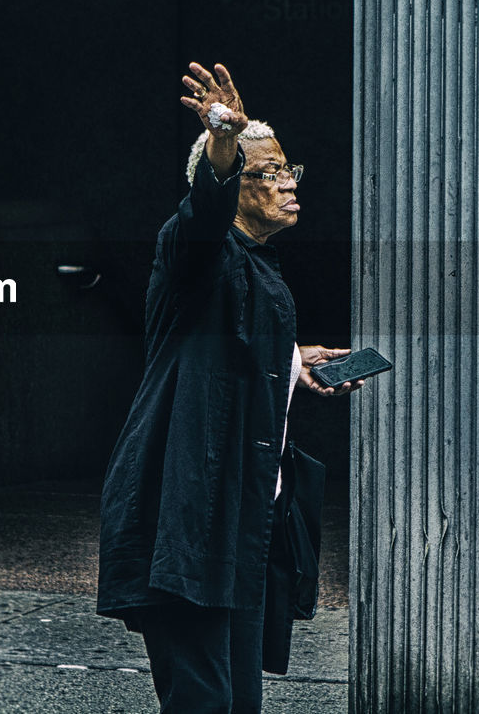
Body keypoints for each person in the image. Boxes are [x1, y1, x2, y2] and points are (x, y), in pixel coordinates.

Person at [96, 62, 363, 713]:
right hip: (184, 525)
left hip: (239, 529)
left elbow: (229, 343)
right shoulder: (195, 255)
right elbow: (201, 219)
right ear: (231, 187)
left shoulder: (258, 265)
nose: (286, 183)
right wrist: (221, 137)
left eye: (287, 170)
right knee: (203, 702)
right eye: (267, 172)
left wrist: (294, 364)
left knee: (239, 703)